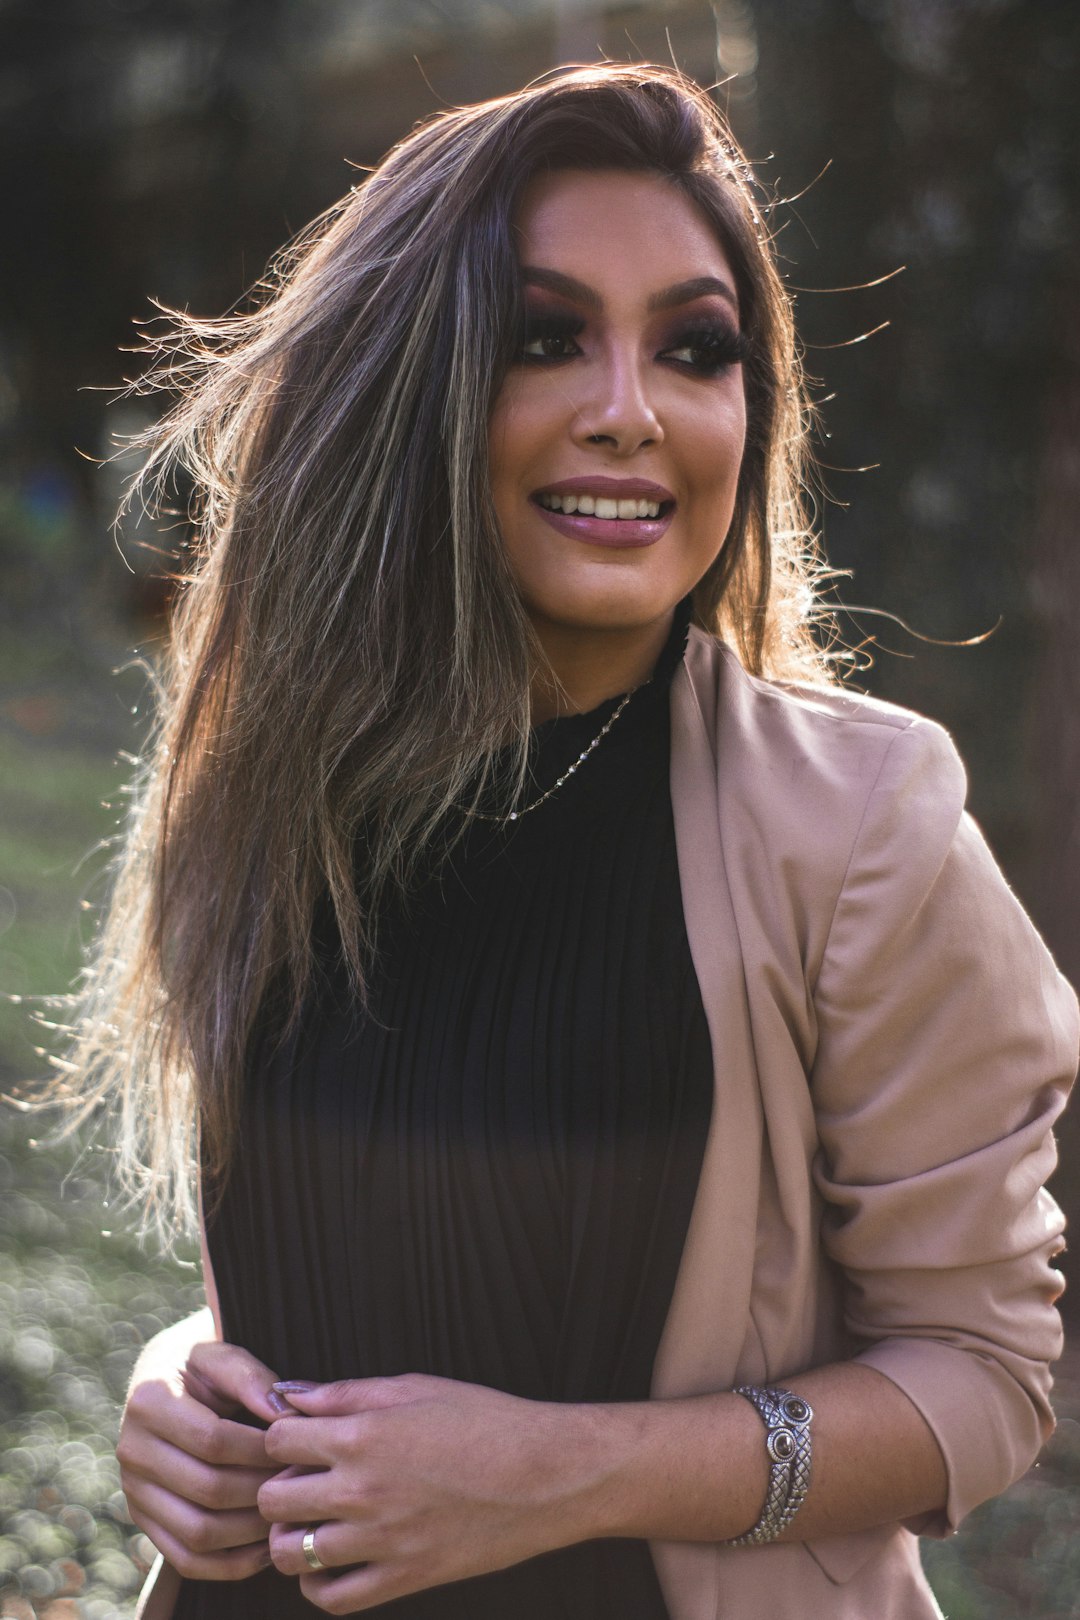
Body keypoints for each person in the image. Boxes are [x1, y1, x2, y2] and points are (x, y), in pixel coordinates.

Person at [67, 64, 1076, 1620]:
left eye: (697, 349)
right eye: (545, 339)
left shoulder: (862, 827)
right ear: (407, 389)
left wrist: (564, 1474)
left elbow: (984, 1385)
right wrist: (183, 1379)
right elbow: (316, 1258)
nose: (631, 409)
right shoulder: (280, 786)